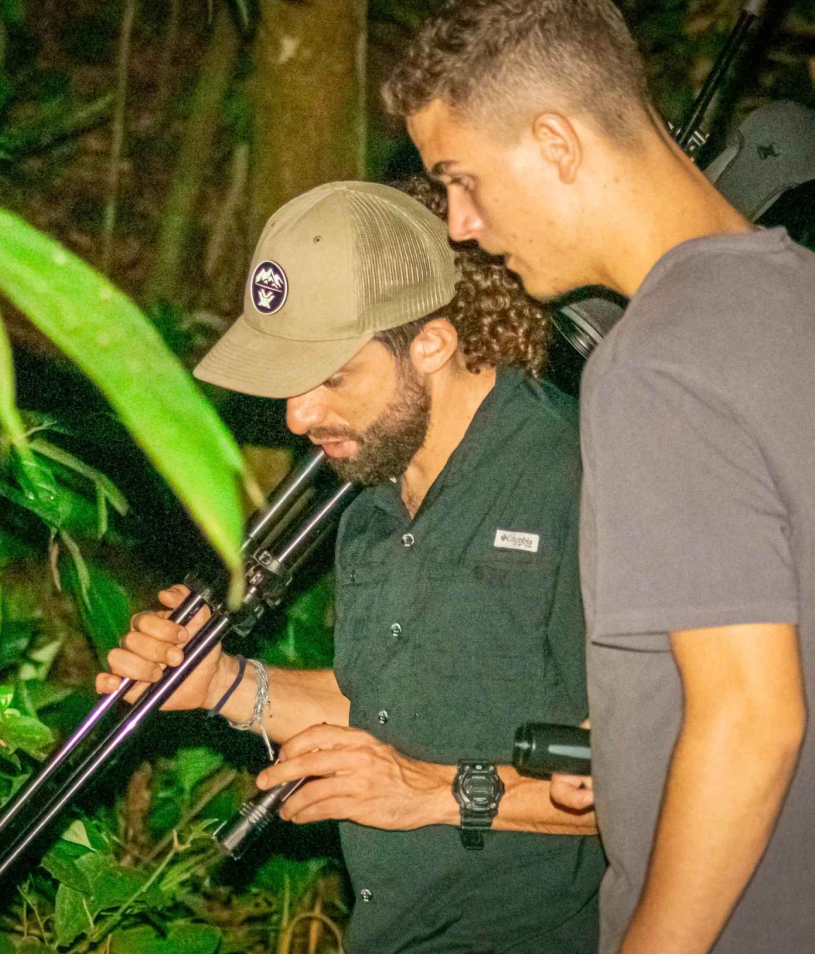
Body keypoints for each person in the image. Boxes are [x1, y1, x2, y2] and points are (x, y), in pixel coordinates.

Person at [384, 0, 815, 954]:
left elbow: (751, 720)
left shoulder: (656, 361)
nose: (462, 225)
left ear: (555, 141)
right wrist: (654, 746)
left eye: (462, 180)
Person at [97, 179, 604, 953]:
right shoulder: (370, 496)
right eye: (287, 380)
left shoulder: (577, 477)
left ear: (431, 344)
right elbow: (390, 707)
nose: (298, 416)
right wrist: (220, 684)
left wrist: (432, 793)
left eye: (332, 376)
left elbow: (667, 770)